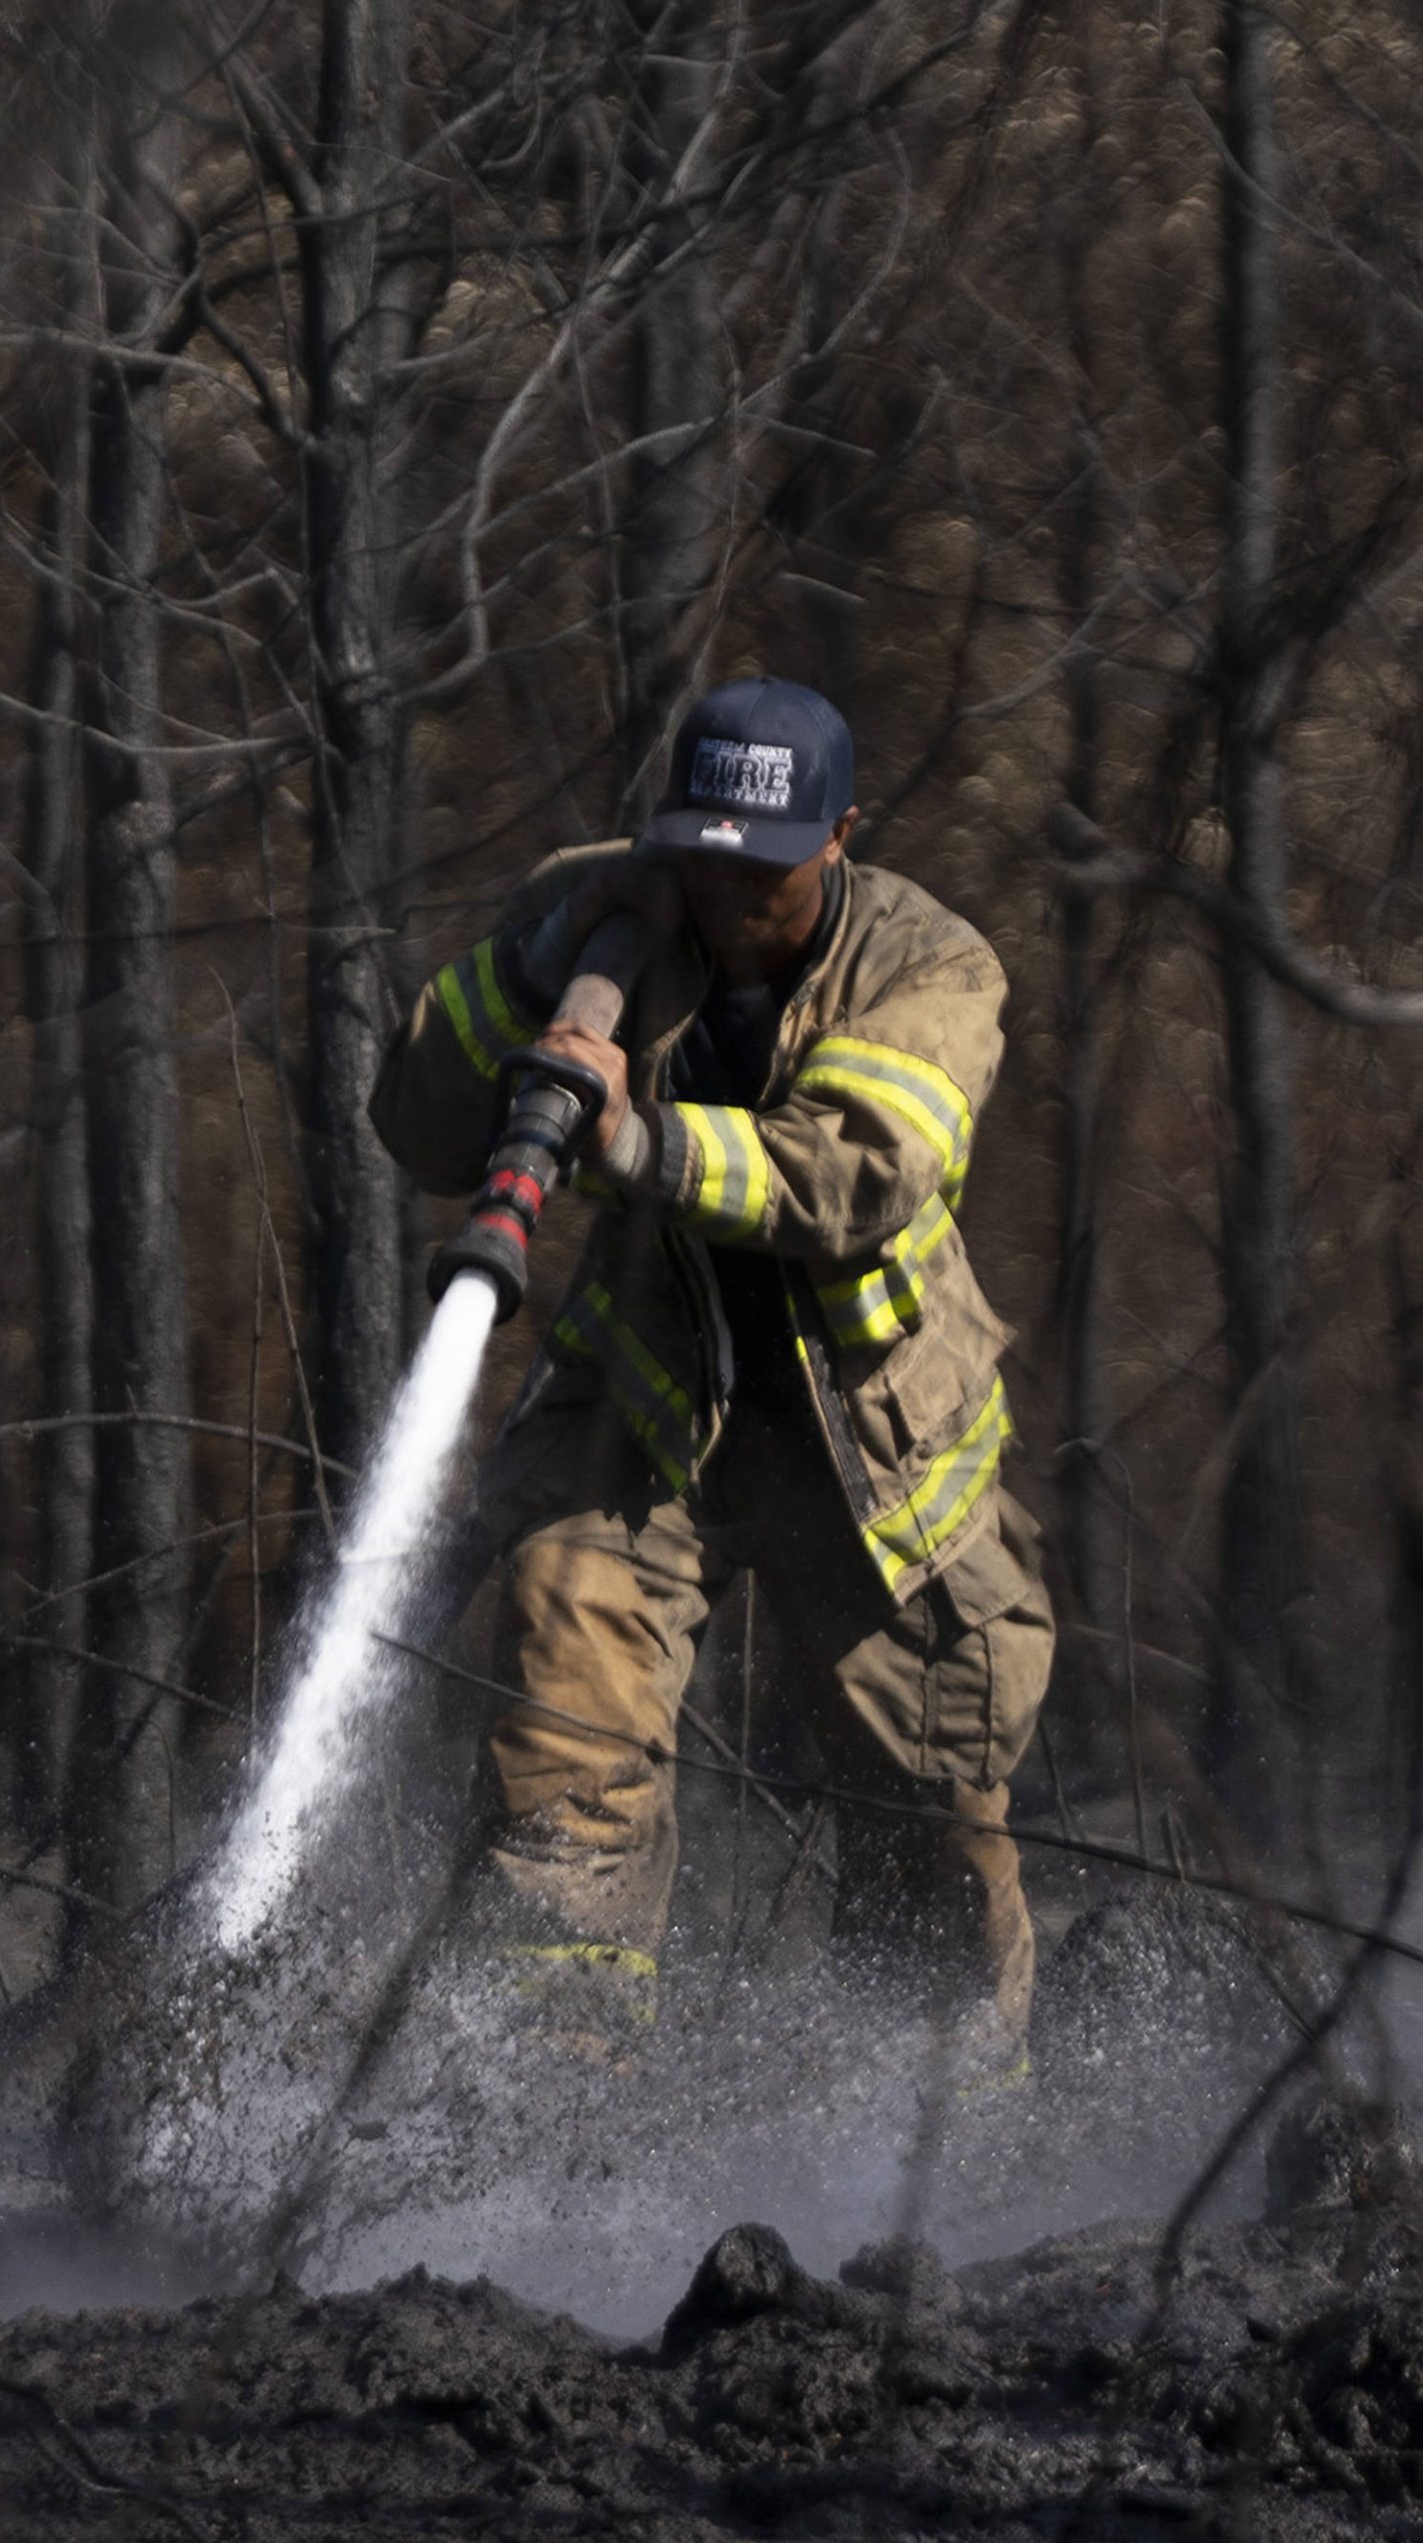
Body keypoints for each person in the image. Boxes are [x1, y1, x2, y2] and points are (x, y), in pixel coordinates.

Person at [370, 677, 1054, 2073]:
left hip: (870, 1451)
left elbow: (852, 1174)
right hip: (646, 1408)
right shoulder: (609, 906)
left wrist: (637, 1146)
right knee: (568, 1742)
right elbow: (417, 1120)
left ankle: (949, 2144)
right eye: (704, 856)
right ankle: (550, 2101)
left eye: (766, 869)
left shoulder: (935, 967)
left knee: (933, 1816)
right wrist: (539, 971)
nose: (729, 896)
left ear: (840, 837)